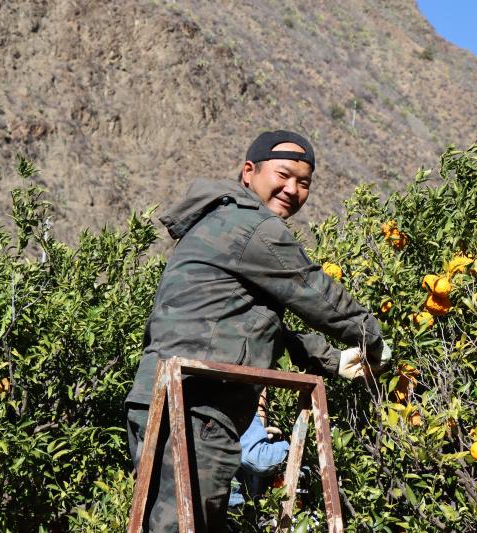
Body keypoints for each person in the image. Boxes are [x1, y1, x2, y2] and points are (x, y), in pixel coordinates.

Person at [125, 130, 390, 532]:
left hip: (161, 397)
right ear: (249, 171)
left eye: (304, 183)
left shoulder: (219, 223)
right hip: (196, 404)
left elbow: (249, 323)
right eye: (283, 175)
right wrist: (373, 341)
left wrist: (330, 359)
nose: (293, 189)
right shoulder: (253, 228)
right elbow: (315, 291)